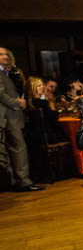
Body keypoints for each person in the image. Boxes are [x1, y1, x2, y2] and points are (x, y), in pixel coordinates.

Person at [0, 47, 43, 191]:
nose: (5, 56)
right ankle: (23, 181)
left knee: (14, 149)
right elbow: (0, 95)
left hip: (12, 114)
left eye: (6, 54)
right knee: (19, 148)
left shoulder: (10, 72)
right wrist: (17, 103)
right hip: (8, 115)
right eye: (1, 55)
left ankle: (17, 180)